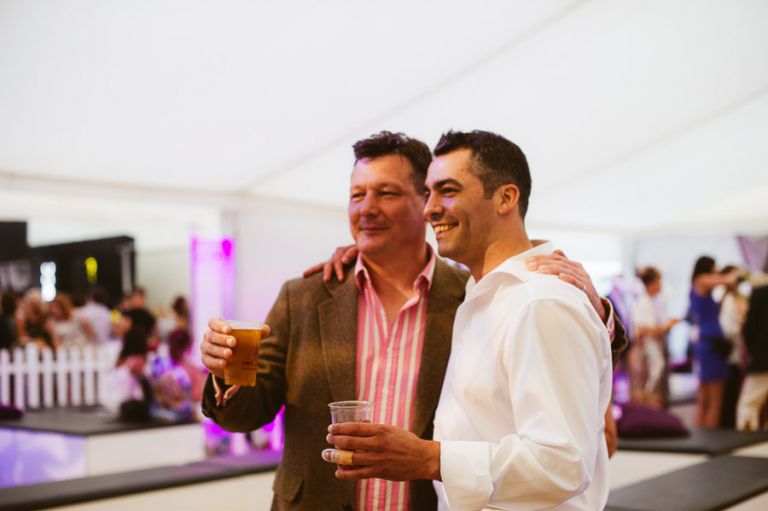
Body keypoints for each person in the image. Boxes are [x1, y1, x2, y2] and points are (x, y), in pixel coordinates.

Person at [201, 131, 627, 511]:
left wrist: (600, 312)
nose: (366, 209)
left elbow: (555, 363)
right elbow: (246, 415)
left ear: (420, 201)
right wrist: (225, 375)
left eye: (385, 193)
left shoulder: (473, 293)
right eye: (356, 195)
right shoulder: (306, 296)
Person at [323, 130, 613, 510]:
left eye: (448, 190)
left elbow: (564, 463)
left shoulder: (540, 302)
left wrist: (429, 458)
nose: (429, 209)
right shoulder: (481, 296)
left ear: (506, 197)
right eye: (429, 193)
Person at [689, 256, 739, 428]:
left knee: (704, 397)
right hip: (711, 345)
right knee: (715, 398)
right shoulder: (702, 281)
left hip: (707, 343)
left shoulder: (699, 285)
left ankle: (700, 433)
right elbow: (728, 280)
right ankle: (710, 435)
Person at [629, 267, 679, 408]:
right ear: (651, 283)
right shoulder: (643, 303)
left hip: (654, 351)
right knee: (647, 390)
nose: (660, 285)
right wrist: (667, 326)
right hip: (647, 356)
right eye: (658, 281)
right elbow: (643, 330)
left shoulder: (653, 302)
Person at [737, 283, 768, 430]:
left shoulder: (759, 293)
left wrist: (753, 352)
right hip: (762, 355)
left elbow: (749, 329)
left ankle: (746, 441)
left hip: (763, 356)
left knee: (749, 404)